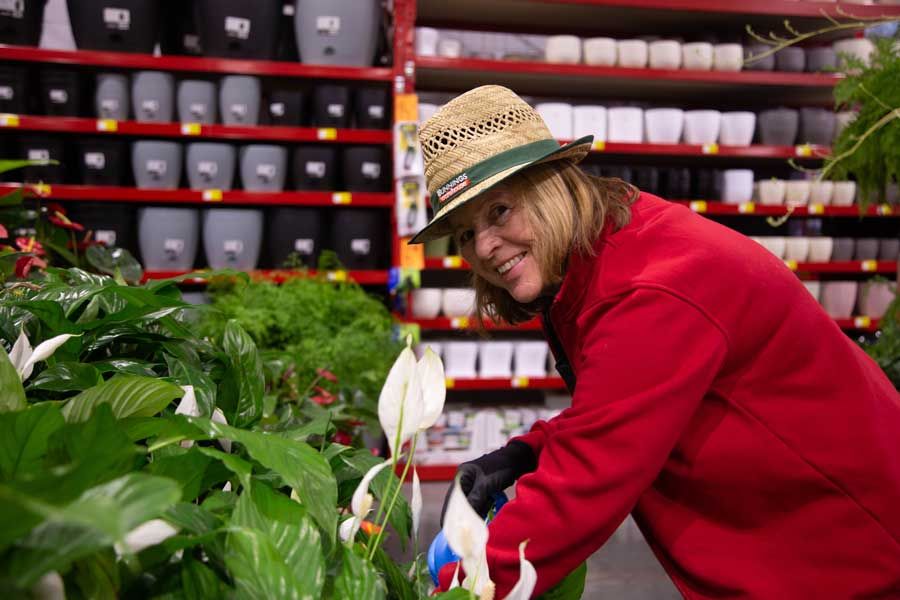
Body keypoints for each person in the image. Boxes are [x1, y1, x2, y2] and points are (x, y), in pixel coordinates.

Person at [409, 85, 900, 599]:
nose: (483, 246)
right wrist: (521, 455)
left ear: (551, 186)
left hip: (855, 556)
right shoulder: (612, 251)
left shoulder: (650, 290)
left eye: (500, 210)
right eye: (463, 233)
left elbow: (578, 494)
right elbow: (622, 405)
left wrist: (455, 590)